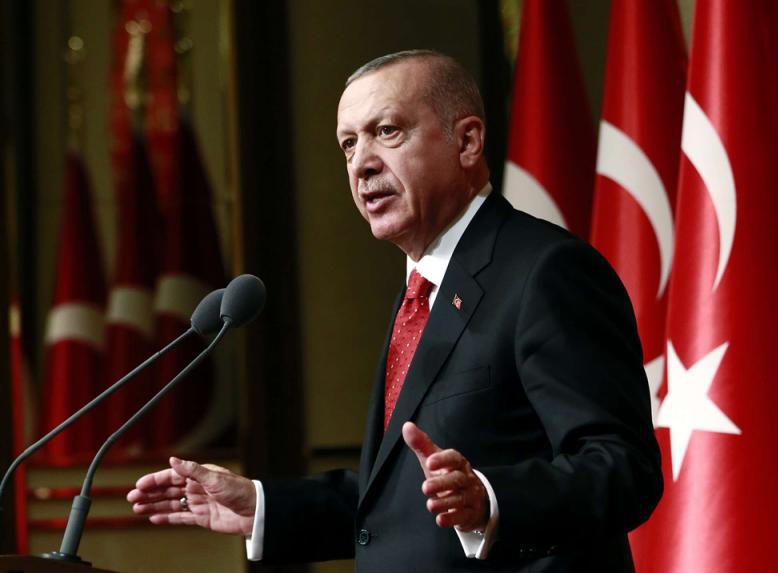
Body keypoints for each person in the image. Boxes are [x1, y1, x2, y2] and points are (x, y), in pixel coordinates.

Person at [127, 50, 662, 571]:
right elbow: (402, 499)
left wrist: (493, 499)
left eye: (387, 131)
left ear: (467, 141)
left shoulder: (546, 271)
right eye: (347, 144)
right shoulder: (422, 290)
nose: (361, 163)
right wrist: (263, 506)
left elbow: (622, 467)